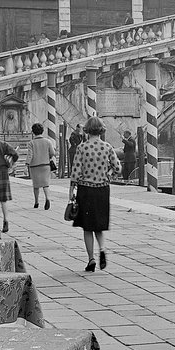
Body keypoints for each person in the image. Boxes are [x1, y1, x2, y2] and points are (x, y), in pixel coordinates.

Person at [69, 116, 120, 272]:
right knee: (98, 225)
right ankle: (102, 249)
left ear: (87, 130)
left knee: (87, 227)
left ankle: (91, 259)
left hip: (86, 190)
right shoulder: (107, 147)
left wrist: (71, 191)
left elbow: (76, 172)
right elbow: (117, 168)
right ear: (101, 130)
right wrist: (108, 175)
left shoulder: (82, 148)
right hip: (102, 190)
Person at [27, 122, 57, 209]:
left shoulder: (31, 143)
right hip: (45, 165)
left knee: (36, 185)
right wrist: (48, 156)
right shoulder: (48, 141)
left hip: (35, 166)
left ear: (33, 132)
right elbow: (53, 153)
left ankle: (36, 202)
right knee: (45, 184)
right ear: (42, 131)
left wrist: (27, 164)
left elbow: (30, 155)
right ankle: (47, 198)